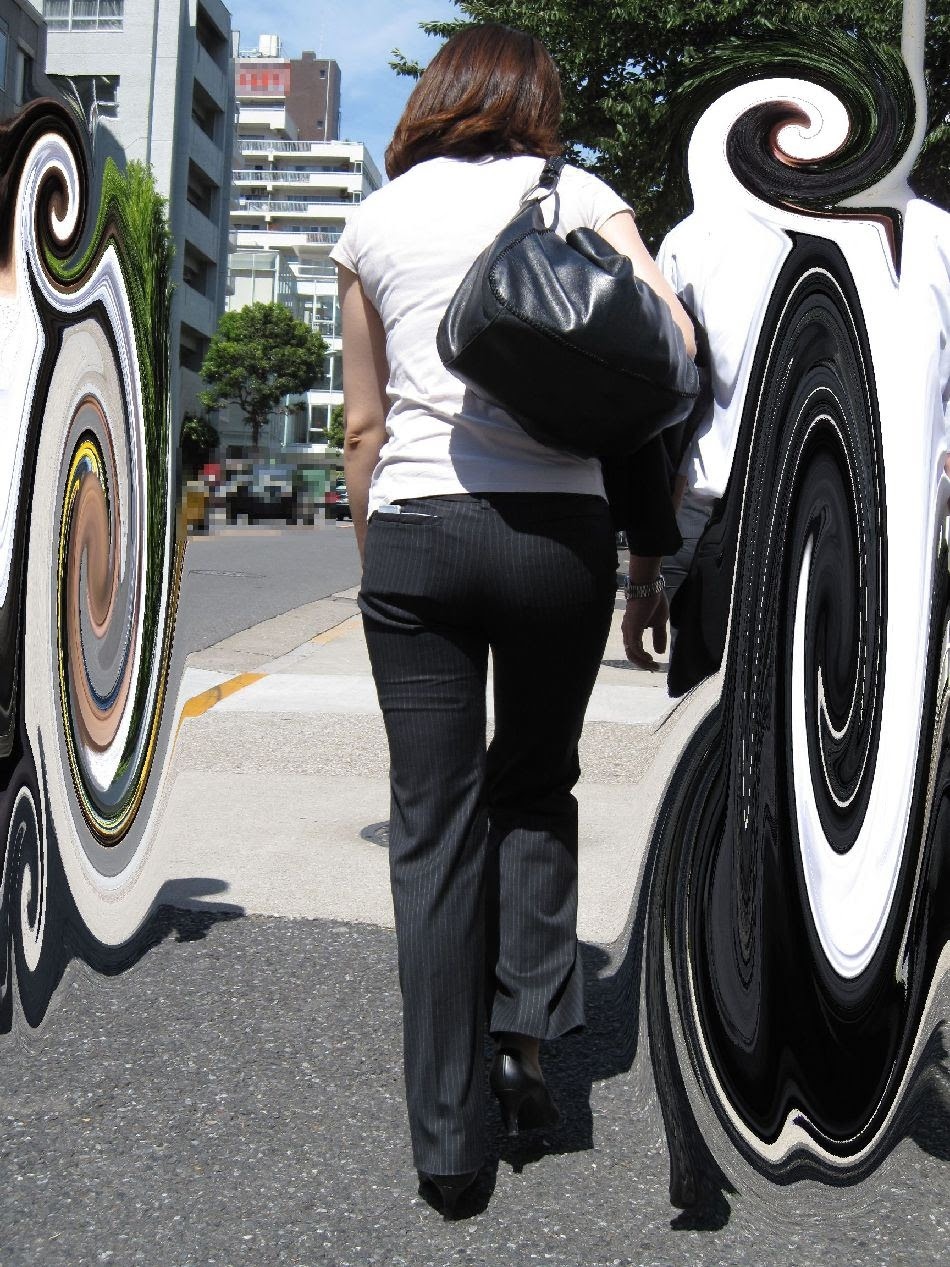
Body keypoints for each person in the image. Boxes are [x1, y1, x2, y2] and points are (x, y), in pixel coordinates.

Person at [330, 22, 695, 1216]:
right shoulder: (576, 193)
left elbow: (363, 423)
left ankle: (447, 1147)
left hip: (417, 531)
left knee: (430, 827)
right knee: (534, 782)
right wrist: (645, 556)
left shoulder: (373, 221)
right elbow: (673, 354)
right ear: (534, 99)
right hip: (556, 540)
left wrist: (377, 549)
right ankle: (525, 1044)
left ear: (436, 95)